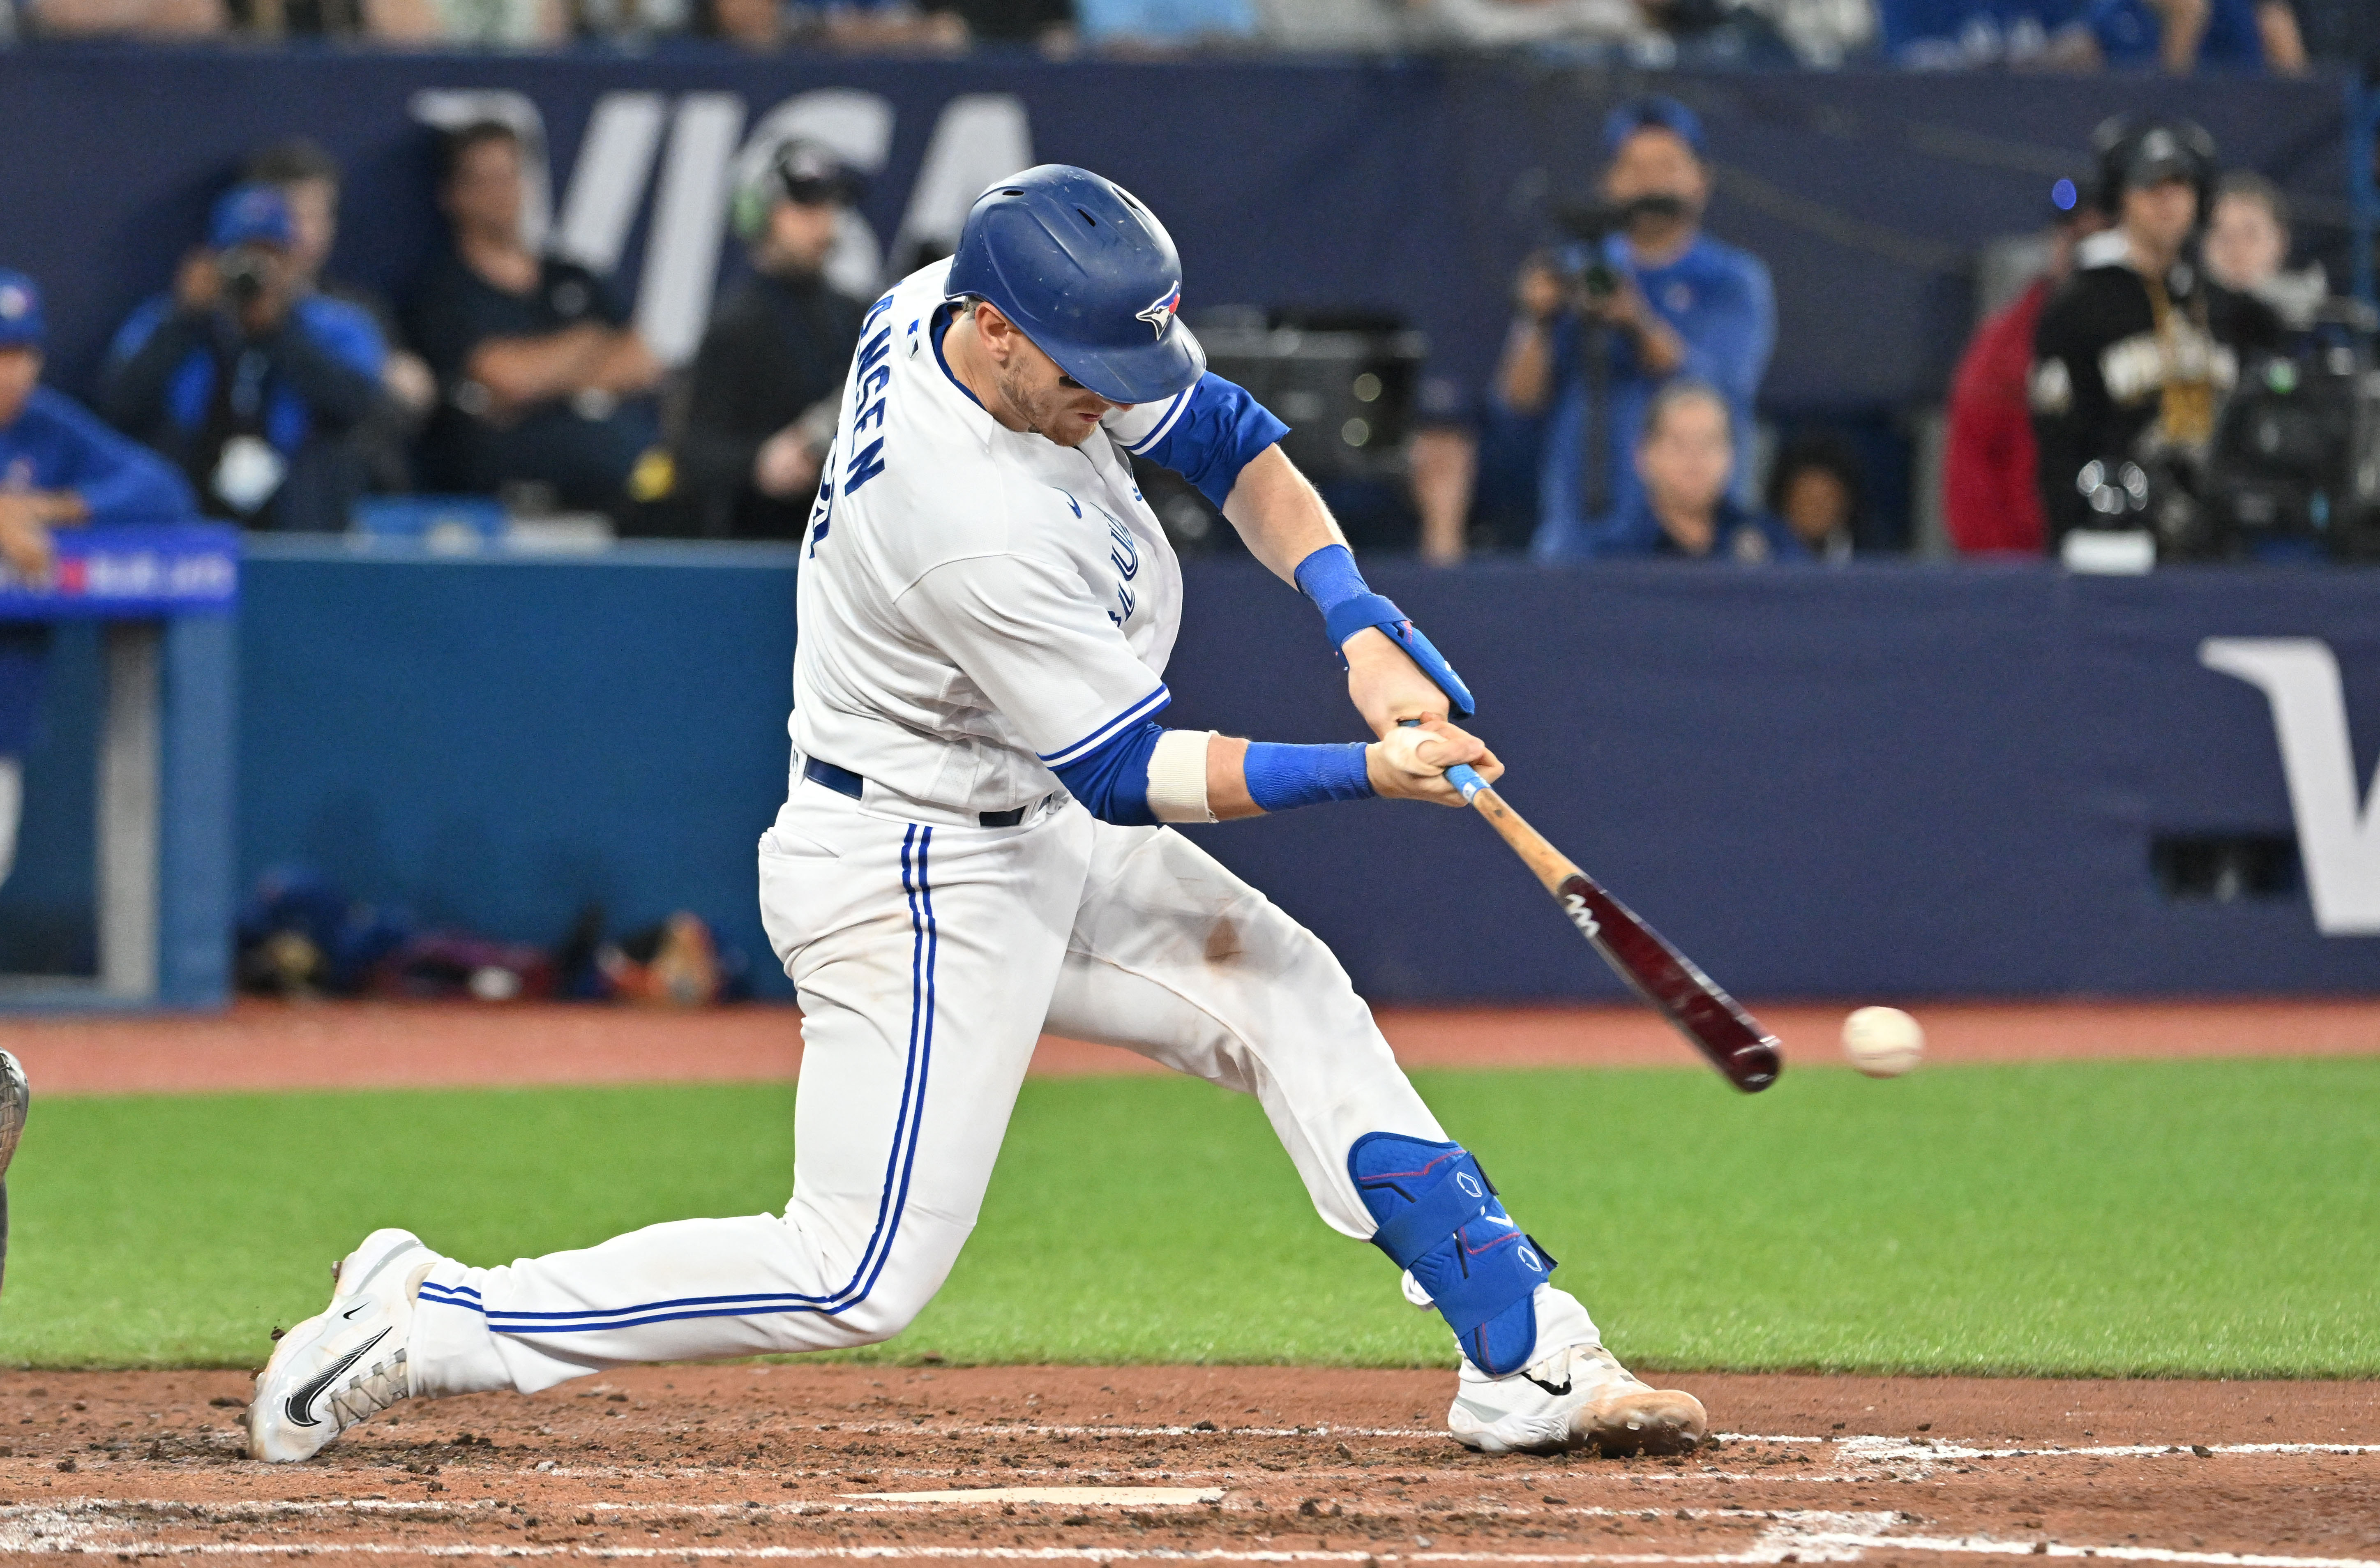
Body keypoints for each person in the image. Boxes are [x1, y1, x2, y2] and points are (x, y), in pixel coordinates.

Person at [243, 165, 1713, 1468]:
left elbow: (1220, 431)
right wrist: (1362, 767)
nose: (1105, 395)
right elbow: (1128, 770)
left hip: (1015, 824)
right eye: (1080, 367)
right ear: (995, 331)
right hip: (917, 865)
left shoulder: (971, 301)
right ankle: (438, 1313)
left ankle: (1521, 1349)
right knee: (852, 1272)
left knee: (1285, 987)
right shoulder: (961, 520)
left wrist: (1359, 622)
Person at [1497, 97, 1774, 563]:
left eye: (1667, 165)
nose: (1650, 181)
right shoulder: (1579, 267)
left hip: (1695, 539)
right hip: (1579, 533)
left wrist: (1635, 320)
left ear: (1700, 179)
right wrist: (1537, 320)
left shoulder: (1732, 280)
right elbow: (1516, 402)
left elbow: (1717, 392)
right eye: (1634, 167)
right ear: (1608, 182)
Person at [0, 270, 196, 897]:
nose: (10, 373)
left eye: (21, 354)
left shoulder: (45, 428)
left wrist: (49, 508)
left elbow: (162, 490)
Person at [2029, 117, 2283, 551]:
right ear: (2120, 198)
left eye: (2179, 186)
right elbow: (2055, 444)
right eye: (2150, 187)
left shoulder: (2227, 308)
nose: (2166, 202)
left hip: (2216, 543)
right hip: (2115, 539)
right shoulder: (2078, 308)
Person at [406, 121, 671, 518]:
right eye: (485, 180)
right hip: (507, 506)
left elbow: (642, 361)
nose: (502, 193)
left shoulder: (570, 276)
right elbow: (505, 377)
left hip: (625, 494)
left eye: (509, 176)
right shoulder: (443, 292)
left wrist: (544, 379)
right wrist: (589, 346)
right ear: (453, 194)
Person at [102, 185, 390, 532]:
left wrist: (278, 332)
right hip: (193, 516)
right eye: (241, 255)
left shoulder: (340, 326)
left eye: (269, 255)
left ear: (294, 259)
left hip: (302, 521)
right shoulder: (165, 321)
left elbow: (359, 407)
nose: (253, 272)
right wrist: (185, 319)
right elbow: (119, 406)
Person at [676, 142, 869, 540]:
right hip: (761, 544)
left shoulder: (855, 315)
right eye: (804, 208)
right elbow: (693, 451)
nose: (824, 223)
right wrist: (759, 464)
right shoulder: (737, 327)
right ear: (760, 216)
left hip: (846, 545)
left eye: (830, 207)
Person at [241, 139, 439, 491]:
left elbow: (394, 412)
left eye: (319, 215)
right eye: (293, 216)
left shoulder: (358, 313)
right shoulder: (216, 306)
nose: (307, 233)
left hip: (337, 498)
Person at [1944, 182, 2104, 555]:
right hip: (2032, 563)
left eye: (2096, 239)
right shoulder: (2005, 344)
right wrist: (2013, 572)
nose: (2082, 253)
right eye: (2072, 238)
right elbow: (1971, 470)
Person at [1621, 380, 1801, 561]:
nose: (1695, 458)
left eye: (1709, 443)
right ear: (1643, 455)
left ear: (1732, 456)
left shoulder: (1771, 542)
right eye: (1679, 444)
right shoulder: (1614, 552)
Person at [2201, 173, 2324, 327]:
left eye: (2251, 234)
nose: (2237, 248)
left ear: (2281, 240)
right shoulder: (2178, 316)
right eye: (2224, 236)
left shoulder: (2321, 324)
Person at [1765, 430, 1860, 561]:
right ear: (1786, 502)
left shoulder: (1870, 556)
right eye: (1807, 500)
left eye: (1826, 500)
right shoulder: (1763, 554)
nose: (1816, 510)